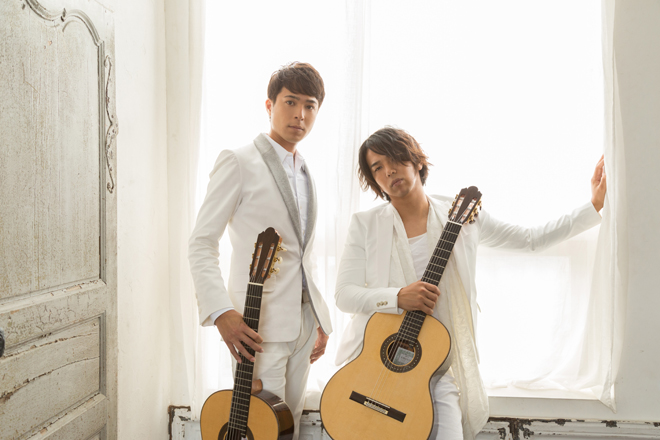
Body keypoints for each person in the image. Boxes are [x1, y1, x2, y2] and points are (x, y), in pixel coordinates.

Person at [333, 127, 606, 440]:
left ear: (417, 161)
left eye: (395, 159)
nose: (389, 171)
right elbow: (344, 295)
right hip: (372, 365)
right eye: (377, 167)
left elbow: (530, 239)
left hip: (433, 370)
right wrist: (397, 297)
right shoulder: (365, 224)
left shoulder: (462, 216)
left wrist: (593, 206)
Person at [189, 62, 333, 439]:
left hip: (303, 325)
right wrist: (221, 312)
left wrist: (317, 319)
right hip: (257, 325)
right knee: (259, 429)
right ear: (269, 106)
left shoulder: (306, 170)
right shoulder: (238, 161)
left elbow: (303, 255)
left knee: (288, 427)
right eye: (290, 102)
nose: (300, 115)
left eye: (310, 106)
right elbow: (201, 242)